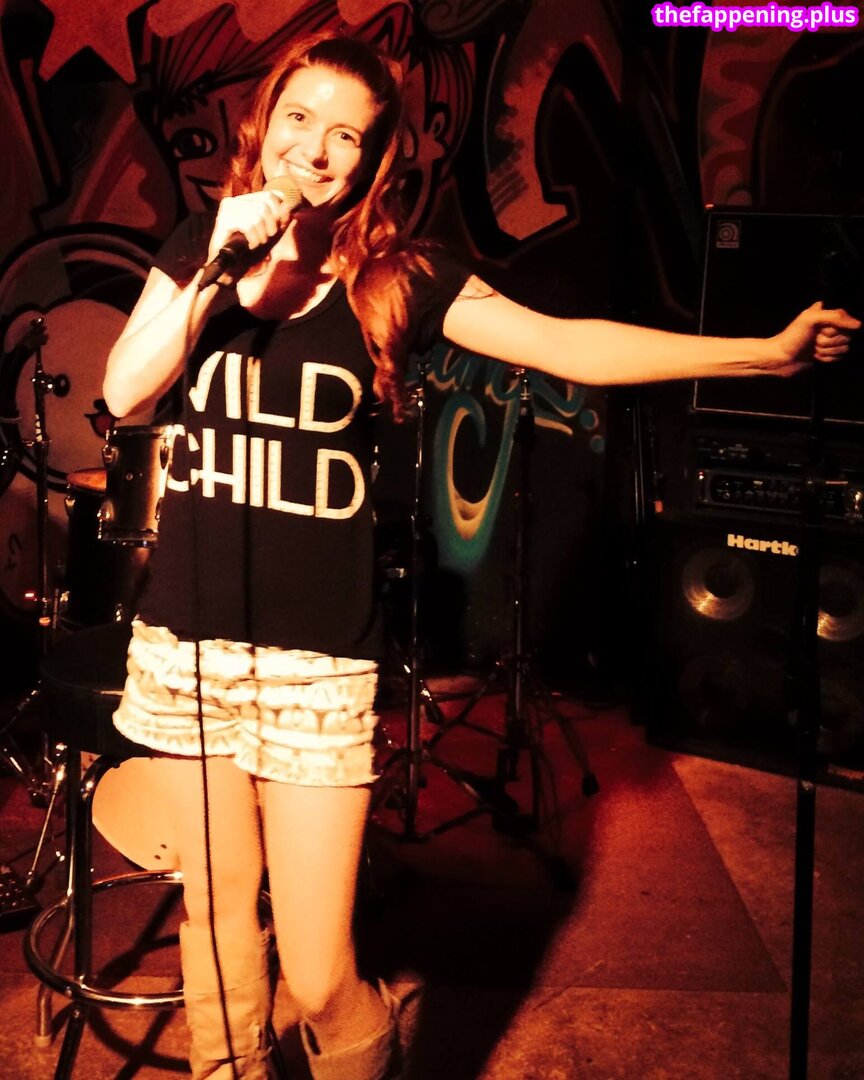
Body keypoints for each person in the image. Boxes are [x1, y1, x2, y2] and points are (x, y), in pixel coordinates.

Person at [101, 30, 858, 1080]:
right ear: (262, 124)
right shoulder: (200, 245)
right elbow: (126, 392)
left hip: (316, 662)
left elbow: (567, 342)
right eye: (299, 119)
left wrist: (761, 356)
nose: (315, 149)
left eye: (347, 136)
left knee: (316, 976)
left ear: (372, 161)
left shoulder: (401, 278)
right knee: (220, 935)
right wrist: (211, 272)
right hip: (188, 645)